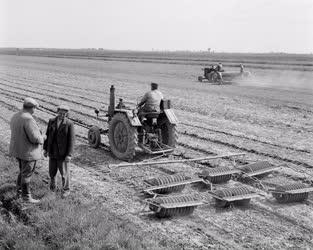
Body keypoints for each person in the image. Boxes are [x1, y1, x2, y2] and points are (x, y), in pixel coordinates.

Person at [9, 97, 45, 203]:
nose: (35, 110)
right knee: (27, 174)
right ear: (32, 108)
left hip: (18, 150)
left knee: (22, 172)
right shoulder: (28, 119)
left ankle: (19, 192)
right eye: (35, 108)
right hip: (28, 153)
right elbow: (35, 138)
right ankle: (26, 197)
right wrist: (43, 137)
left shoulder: (16, 115)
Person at [43, 105, 75, 198]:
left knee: (64, 173)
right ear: (57, 112)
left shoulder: (69, 124)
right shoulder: (51, 121)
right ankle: (53, 187)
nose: (62, 115)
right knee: (52, 171)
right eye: (60, 113)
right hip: (52, 151)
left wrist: (69, 154)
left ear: (67, 114)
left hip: (63, 153)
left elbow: (71, 140)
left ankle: (66, 190)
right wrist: (45, 149)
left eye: (64, 114)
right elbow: (47, 135)